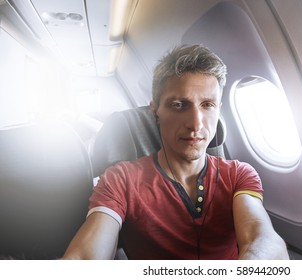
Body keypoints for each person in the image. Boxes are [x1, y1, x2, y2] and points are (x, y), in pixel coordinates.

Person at [62, 44, 289, 260]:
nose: (196, 124)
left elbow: (261, 237)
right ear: (155, 110)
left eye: (207, 104)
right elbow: (85, 255)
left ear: (218, 109)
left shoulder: (239, 175)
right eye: (179, 105)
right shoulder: (120, 180)